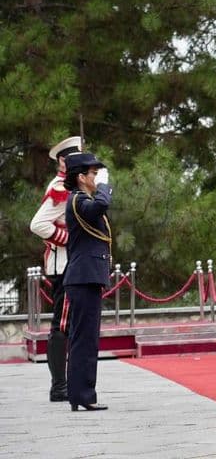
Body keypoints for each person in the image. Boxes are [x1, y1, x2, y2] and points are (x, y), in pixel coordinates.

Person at [30, 135, 82, 402]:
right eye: (74, 157)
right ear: (63, 160)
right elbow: (38, 224)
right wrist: (69, 241)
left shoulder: (72, 184)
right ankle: (58, 386)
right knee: (61, 325)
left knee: (68, 324)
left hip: (69, 264)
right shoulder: (60, 186)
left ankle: (63, 383)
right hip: (63, 265)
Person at [62, 152, 111, 411]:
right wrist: (104, 186)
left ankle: (81, 395)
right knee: (84, 339)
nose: (96, 177)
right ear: (81, 177)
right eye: (93, 173)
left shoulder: (80, 200)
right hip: (84, 278)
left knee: (86, 338)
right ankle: (81, 394)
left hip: (86, 277)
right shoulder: (80, 200)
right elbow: (100, 207)